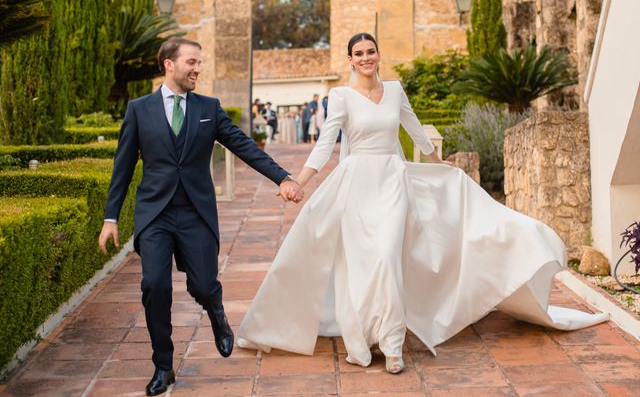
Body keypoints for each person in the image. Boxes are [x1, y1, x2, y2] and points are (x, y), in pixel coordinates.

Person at [237, 32, 608, 375]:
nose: (366, 58)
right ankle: (363, 339)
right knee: (360, 264)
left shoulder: (395, 91)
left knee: (386, 256)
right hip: (355, 185)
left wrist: (440, 166)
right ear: (349, 60)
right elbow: (325, 144)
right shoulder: (340, 97)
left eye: (370, 51)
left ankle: (393, 344)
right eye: (358, 54)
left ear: (379, 55)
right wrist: (298, 181)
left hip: (392, 181)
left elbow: (414, 128)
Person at [98, 37, 300, 396]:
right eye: (191, 62)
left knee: (204, 285)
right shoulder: (139, 110)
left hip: (195, 212)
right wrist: (110, 217)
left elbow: (242, 144)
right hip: (155, 214)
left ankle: (216, 312)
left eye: (200, 63)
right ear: (169, 64)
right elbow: (123, 167)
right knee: (154, 287)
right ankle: (163, 365)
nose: (198, 69)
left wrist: (282, 177)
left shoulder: (209, 107)